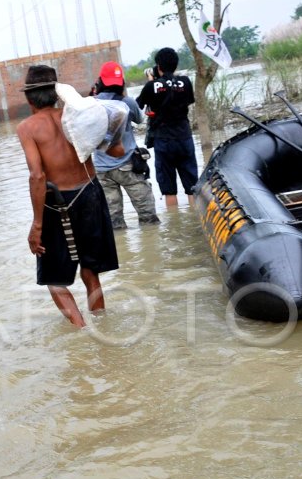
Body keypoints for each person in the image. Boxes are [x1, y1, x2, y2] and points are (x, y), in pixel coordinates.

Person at [16, 65, 119, 328]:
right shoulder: (74, 116)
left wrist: (36, 225)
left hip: (57, 203)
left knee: (54, 279)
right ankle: (101, 323)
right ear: (56, 94)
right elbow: (114, 148)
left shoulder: (27, 128)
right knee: (90, 270)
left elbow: (37, 176)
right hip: (90, 193)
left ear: (29, 99)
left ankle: (82, 330)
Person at [91, 61, 158, 228]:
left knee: (114, 223)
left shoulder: (90, 104)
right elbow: (140, 119)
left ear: (100, 81)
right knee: (148, 217)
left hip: (101, 169)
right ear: (121, 82)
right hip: (128, 166)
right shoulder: (127, 102)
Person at [137, 47, 199, 210]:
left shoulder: (152, 86)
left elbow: (139, 105)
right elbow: (188, 101)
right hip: (184, 137)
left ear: (158, 66)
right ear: (176, 65)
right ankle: (196, 218)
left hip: (163, 141)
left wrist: (152, 82)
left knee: (169, 189)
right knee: (192, 186)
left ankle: (174, 222)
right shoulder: (185, 82)